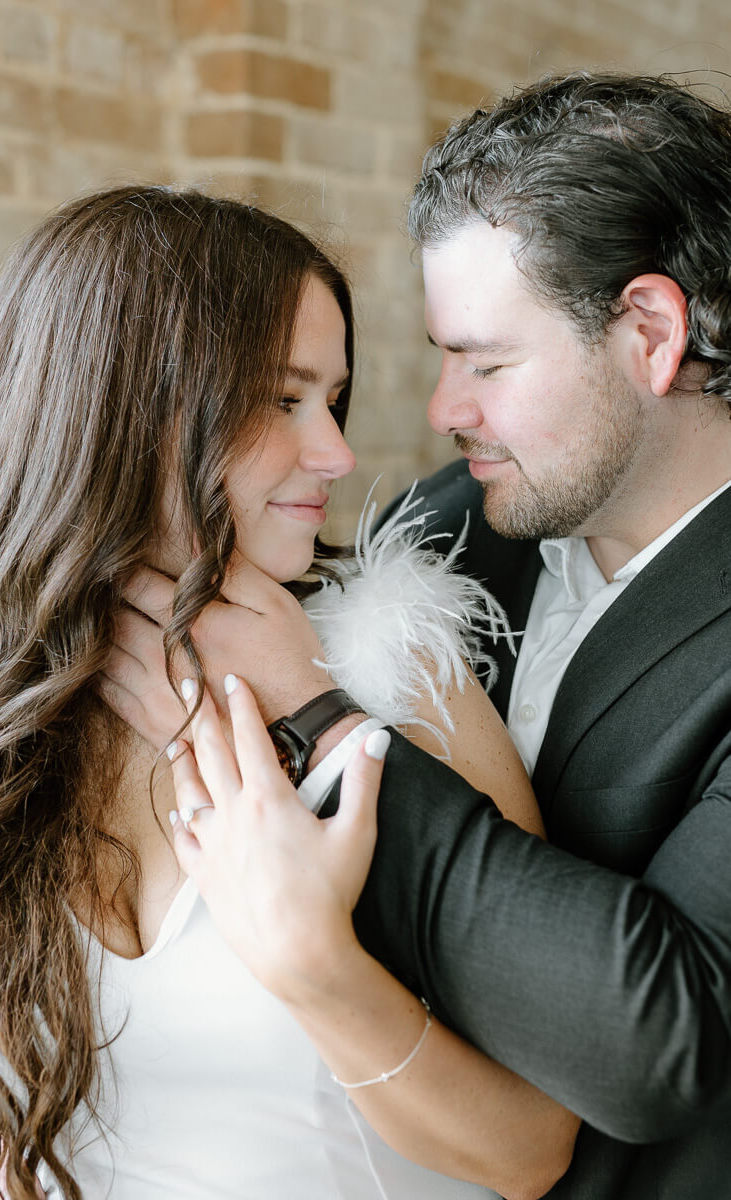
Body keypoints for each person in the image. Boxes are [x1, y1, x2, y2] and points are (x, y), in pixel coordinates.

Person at [109, 73, 731, 1199]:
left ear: (650, 333)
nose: (443, 410)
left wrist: (327, 720)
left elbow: (662, 1043)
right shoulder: (438, 538)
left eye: (487, 364)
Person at [0, 184, 577, 1200]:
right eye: (284, 400)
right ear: (124, 405)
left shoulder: (397, 672)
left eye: (332, 399)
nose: (337, 453)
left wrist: (313, 962)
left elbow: (536, 1148)